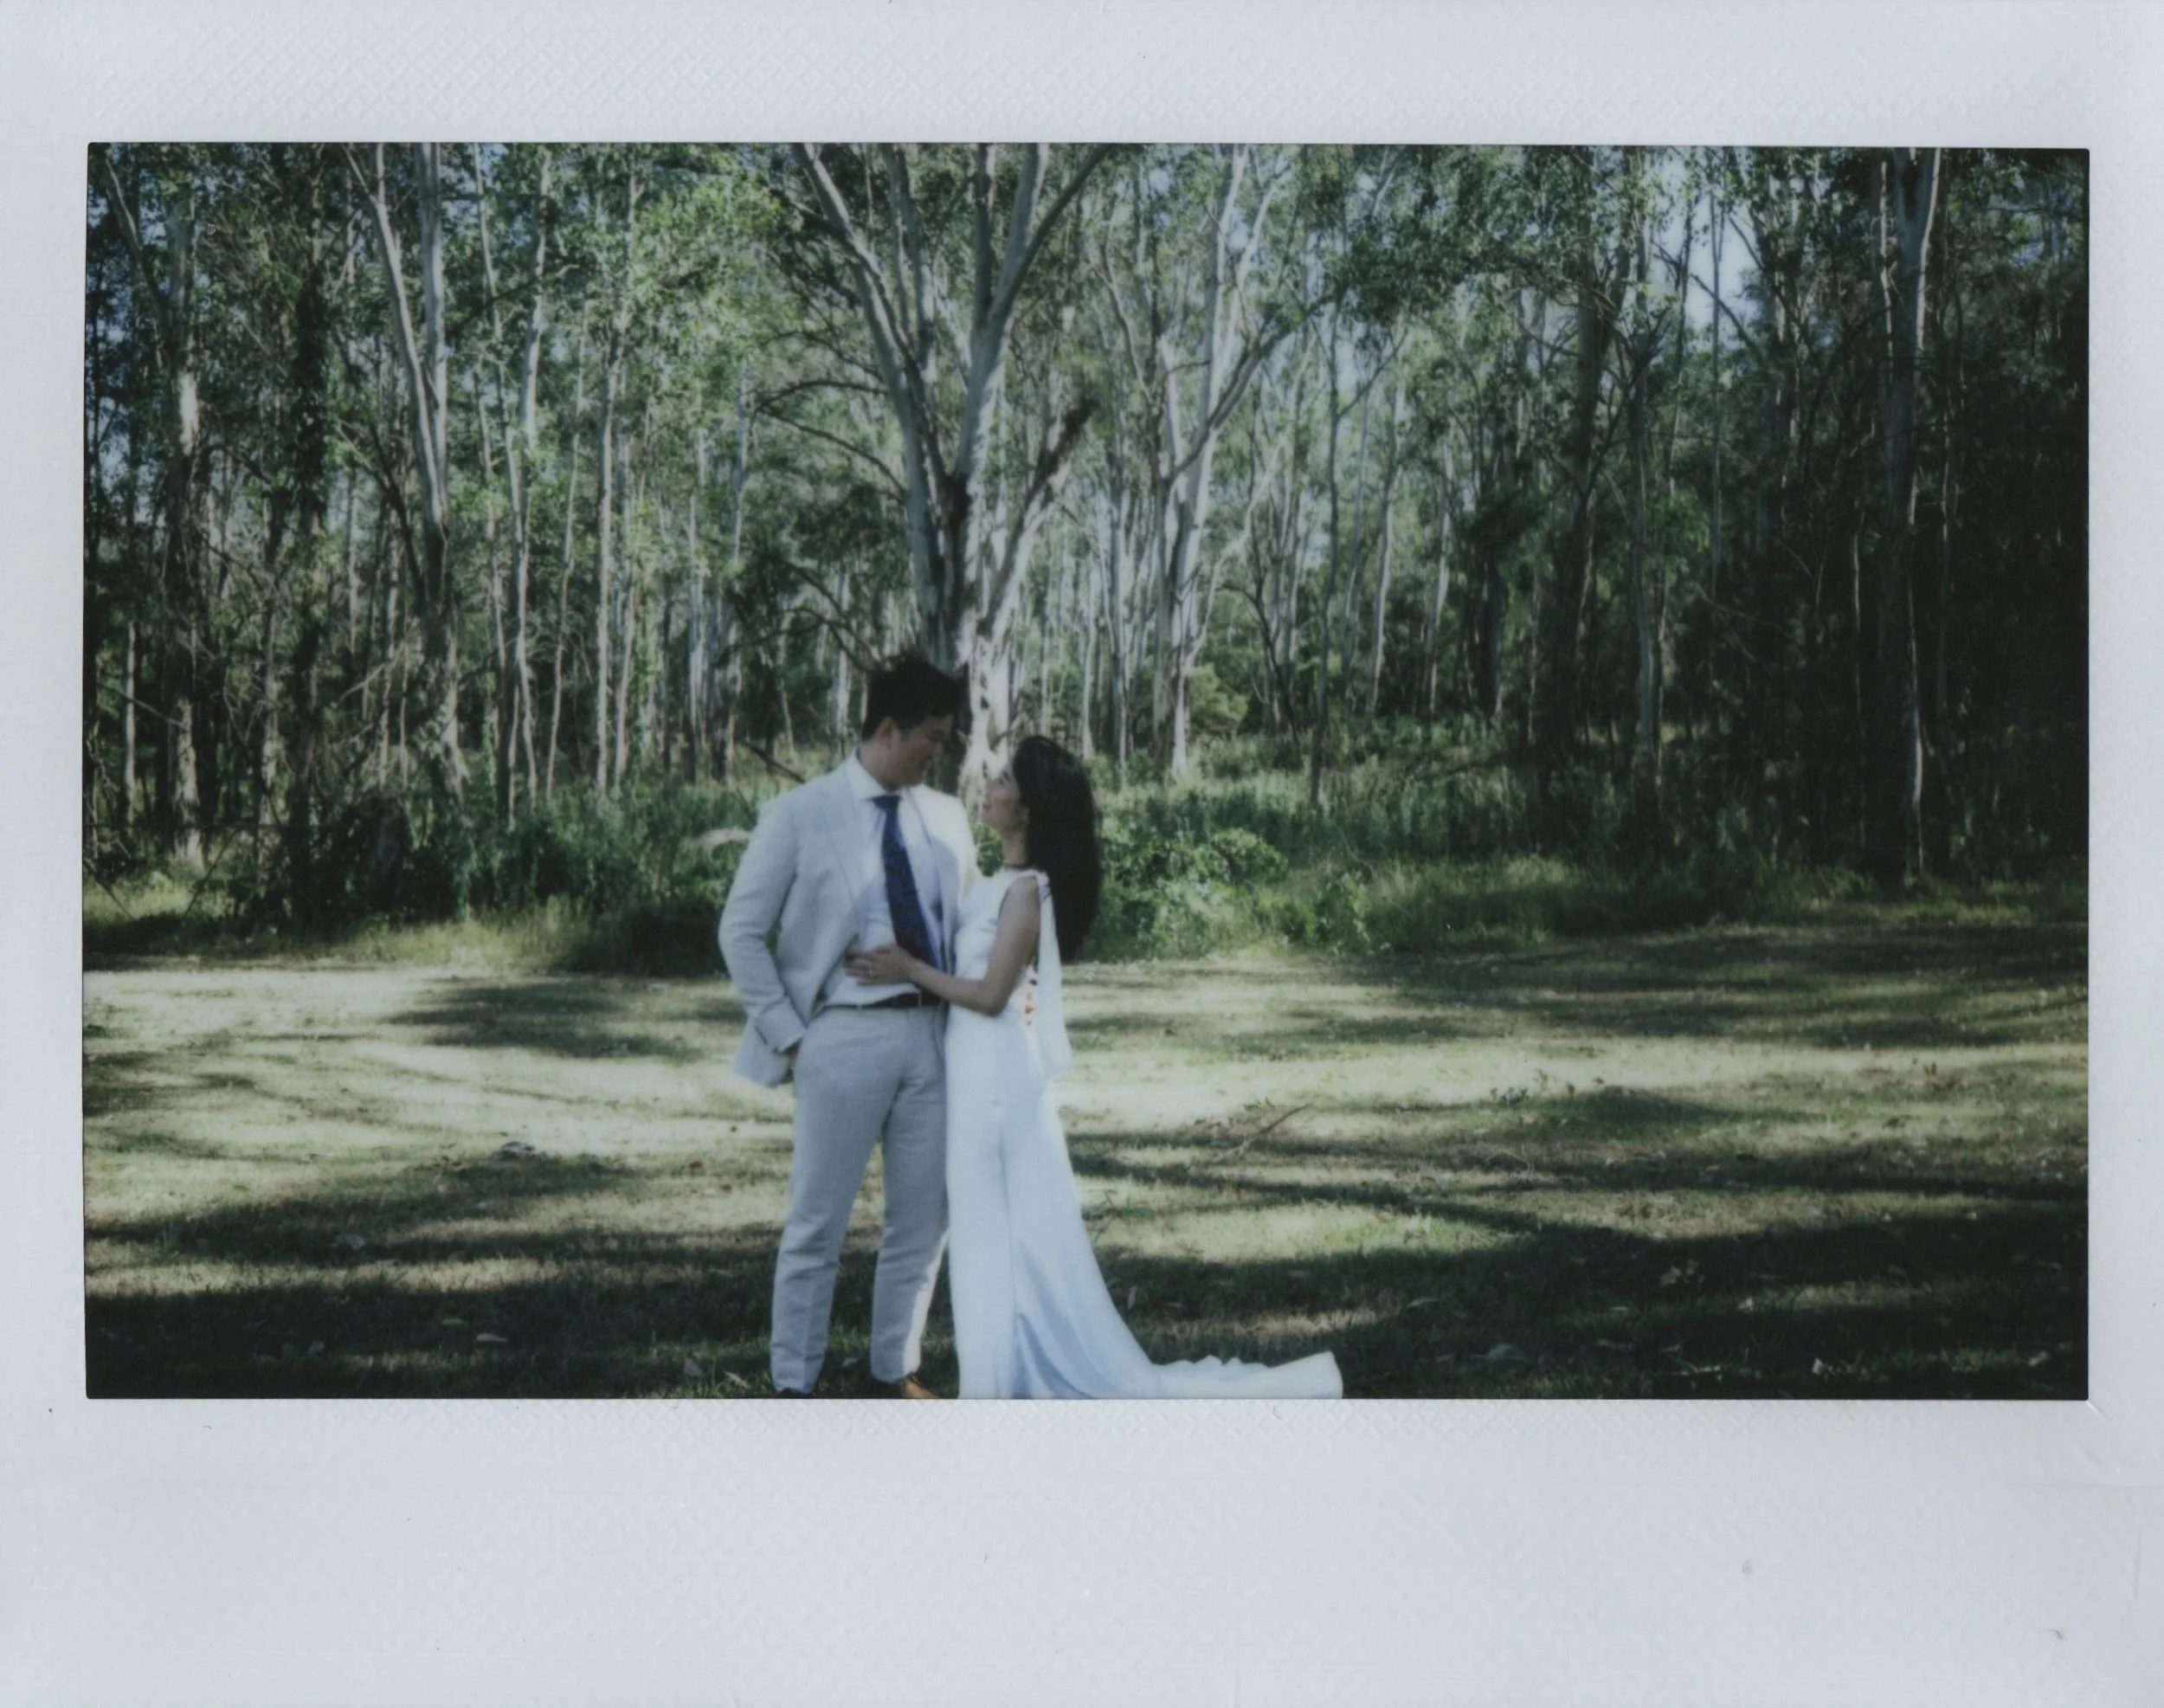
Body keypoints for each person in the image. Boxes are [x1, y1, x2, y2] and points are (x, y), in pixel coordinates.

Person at [847, 736, 1343, 1399]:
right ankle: (996, 1373)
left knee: (998, 1233)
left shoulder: (1026, 891)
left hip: (996, 1084)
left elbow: (992, 995)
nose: (987, 789)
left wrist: (910, 971)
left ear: (1030, 810)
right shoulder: (994, 881)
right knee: (983, 1232)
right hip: (972, 1074)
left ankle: (1004, 1381)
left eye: (1002, 783)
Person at [718, 655, 976, 1399]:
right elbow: (740, 932)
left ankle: (894, 1370)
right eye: (932, 735)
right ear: (887, 729)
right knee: (816, 1225)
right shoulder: (801, 813)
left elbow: (966, 924)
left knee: (924, 1222)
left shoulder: (949, 817)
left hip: (933, 1037)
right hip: (840, 1038)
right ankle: (793, 1384)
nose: (941, 750)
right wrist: (793, 1038)